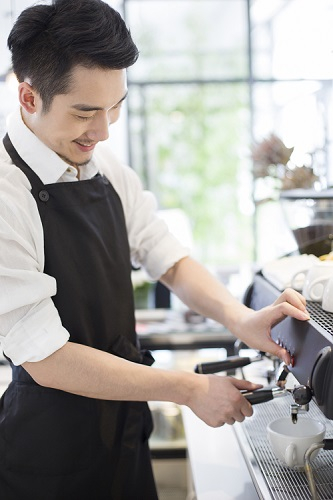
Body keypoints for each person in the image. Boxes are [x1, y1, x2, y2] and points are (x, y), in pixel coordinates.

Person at [0, 1, 310, 499]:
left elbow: (167, 256)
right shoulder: (5, 194)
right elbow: (47, 357)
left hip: (125, 437)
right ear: (29, 97)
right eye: (85, 112)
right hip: (48, 459)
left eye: (115, 107)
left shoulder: (105, 169)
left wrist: (239, 317)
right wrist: (188, 389)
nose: (103, 132)